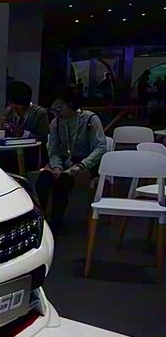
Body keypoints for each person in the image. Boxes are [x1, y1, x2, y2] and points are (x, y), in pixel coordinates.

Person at [35, 87, 107, 234]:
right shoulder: (56, 123)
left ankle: (55, 225)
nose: (56, 113)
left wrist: (81, 165)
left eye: (59, 108)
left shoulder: (90, 119)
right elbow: (54, 150)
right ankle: (39, 220)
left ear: (71, 104)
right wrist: (56, 166)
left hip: (86, 160)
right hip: (64, 159)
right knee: (43, 179)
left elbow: (100, 148)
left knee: (63, 182)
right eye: (53, 110)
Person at [1, 81, 50, 172]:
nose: (14, 107)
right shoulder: (9, 111)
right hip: (12, 151)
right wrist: (4, 129)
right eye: (11, 103)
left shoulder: (39, 113)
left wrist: (23, 133)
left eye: (17, 104)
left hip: (32, 154)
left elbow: (43, 139)